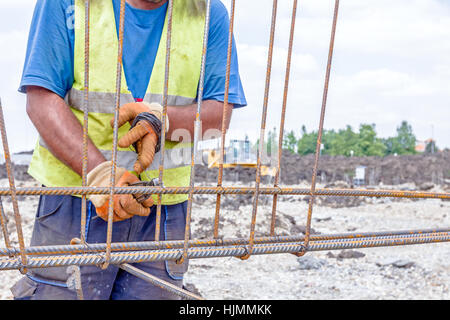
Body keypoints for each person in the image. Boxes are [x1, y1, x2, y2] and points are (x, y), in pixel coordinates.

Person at [11, 0, 246, 300]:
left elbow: (219, 110)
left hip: (163, 209)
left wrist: (161, 120)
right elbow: (42, 99)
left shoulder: (208, 12)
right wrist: (99, 174)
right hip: (74, 202)